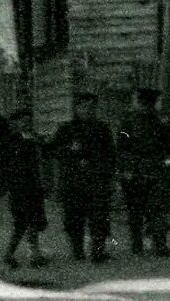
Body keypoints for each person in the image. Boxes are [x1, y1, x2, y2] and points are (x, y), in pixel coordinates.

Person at [49, 97, 118, 261]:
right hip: (73, 181)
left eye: (91, 107)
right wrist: (69, 150)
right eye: (84, 107)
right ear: (77, 108)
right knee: (74, 218)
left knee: (99, 218)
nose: (88, 111)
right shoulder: (66, 128)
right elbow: (52, 151)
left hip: (97, 180)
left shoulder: (102, 128)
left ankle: (98, 251)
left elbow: (110, 154)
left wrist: (109, 174)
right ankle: (78, 251)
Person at [117, 86, 170, 258]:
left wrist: (126, 169)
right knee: (149, 209)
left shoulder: (133, 120)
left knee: (143, 209)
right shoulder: (134, 121)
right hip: (148, 169)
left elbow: (122, 146)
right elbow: (122, 146)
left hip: (144, 170)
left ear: (141, 102)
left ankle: (146, 245)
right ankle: (155, 244)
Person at [0, 119, 49, 268]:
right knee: (27, 222)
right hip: (24, 188)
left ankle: (30, 254)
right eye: (21, 121)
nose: (24, 124)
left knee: (28, 222)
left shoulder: (31, 140)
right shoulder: (17, 142)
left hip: (28, 187)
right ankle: (29, 255)